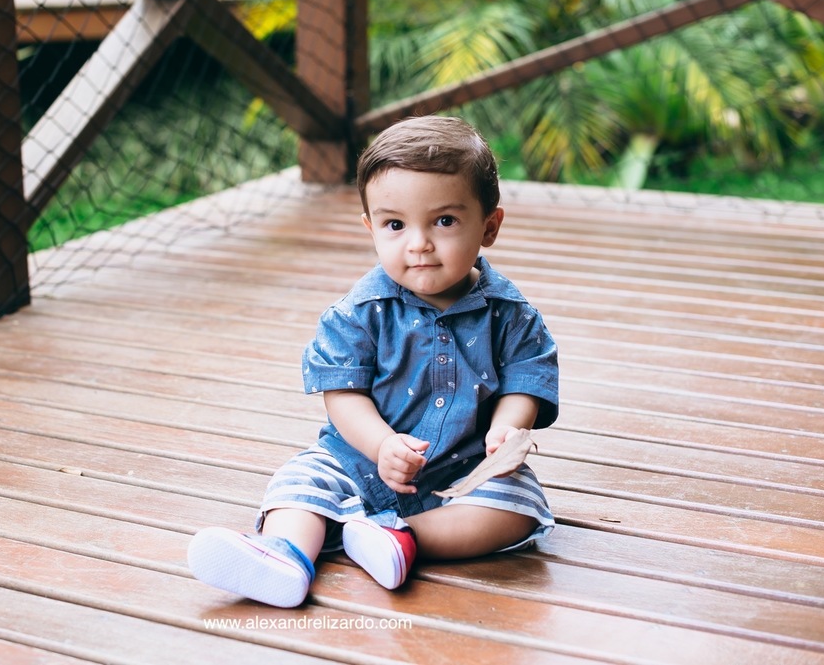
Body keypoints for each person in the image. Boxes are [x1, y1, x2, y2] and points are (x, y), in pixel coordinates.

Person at [188, 115, 559, 607]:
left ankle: (402, 538)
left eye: (444, 221)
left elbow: (527, 377)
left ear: (489, 226)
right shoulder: (360, 312)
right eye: (395, 225)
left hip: (463, 471)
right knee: (301, 481)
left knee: (519, 507)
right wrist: (381, 444)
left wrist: (509, 427)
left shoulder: (509, 313)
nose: (419, 243)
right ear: (371, 229)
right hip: (359, 460)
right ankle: (283, 554)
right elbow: (342, 392)